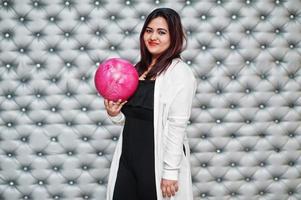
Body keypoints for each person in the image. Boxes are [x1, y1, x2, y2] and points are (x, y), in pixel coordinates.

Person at [104, 7, 197, 200]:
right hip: (128, 158)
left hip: (157, 160)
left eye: (161, 32)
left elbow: (176, 125)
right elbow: (134, 118)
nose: (153, 36)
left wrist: (170, 172)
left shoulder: (180, 73)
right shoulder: (137, 70)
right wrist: (115, 115)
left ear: (174, 37)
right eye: (149, 30)